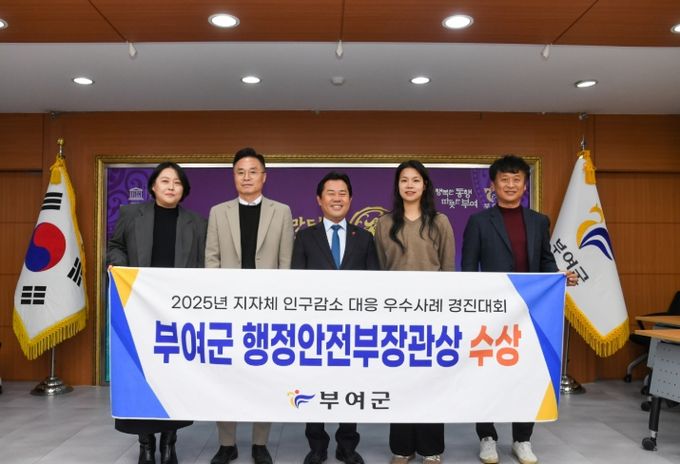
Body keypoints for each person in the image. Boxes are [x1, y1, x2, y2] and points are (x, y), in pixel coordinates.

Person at [461, 154, 578, 464]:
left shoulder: (539, 221)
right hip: (490, 314)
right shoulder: (478, 222)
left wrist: (559, 277)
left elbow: (546, 262)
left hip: (530, 313)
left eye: (516, 179)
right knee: (486, 375)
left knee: (528, 374)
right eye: (504, 179)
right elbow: (469, 269)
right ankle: (487, 437)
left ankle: (522, 439)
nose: (510, 185)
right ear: (493, 185)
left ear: (525, 185)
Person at [108, 161, 207, 464]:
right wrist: (121, 267)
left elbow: (203, 264)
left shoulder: (196, 223)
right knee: (142, 375)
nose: (171, 187)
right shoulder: (130, 214)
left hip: (177, 314)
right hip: (139, 309)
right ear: (153, 186)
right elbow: (115, 246)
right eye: (165, 181)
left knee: (173, 376)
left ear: (184, 189)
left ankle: (169, 442)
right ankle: (146, 444)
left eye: (177, 182)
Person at [205, 147, 294, 464]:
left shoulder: (281, 211)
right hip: (228, 308)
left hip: (267, 308)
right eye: (240, 172)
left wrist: (279, 303)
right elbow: (212, 260)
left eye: (253, 171)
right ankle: (226, 443)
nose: (246, 177)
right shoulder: (219, 212)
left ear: (264, 177)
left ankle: (260, 442)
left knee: (262, 376)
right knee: (225, 376)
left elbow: (285, 262)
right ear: (234, 177)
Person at [292, 171, 380, 464]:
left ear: (351, 199)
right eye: (331, 193)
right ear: (319, 199)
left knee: (350, 386)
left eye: (343, 193)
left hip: (353, 327)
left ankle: (347, 445)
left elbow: (374, 283)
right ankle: (317, 445)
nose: (337, 198)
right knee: (313, 384)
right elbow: (295, 282)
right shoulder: (305, 237)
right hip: (314, 328)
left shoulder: (364, 237)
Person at [374, 160, 455, 464]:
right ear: (397, 186)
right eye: (404, 180)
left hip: (432, 315)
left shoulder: (440, 222)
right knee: (401, 382)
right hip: (396, 315)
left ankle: (431, 449)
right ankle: (402, 447)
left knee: (431, 381)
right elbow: (381, 269)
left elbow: (448, 269)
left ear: (425, 185)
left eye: (415, 180)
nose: (409, 185)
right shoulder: (384, 224)